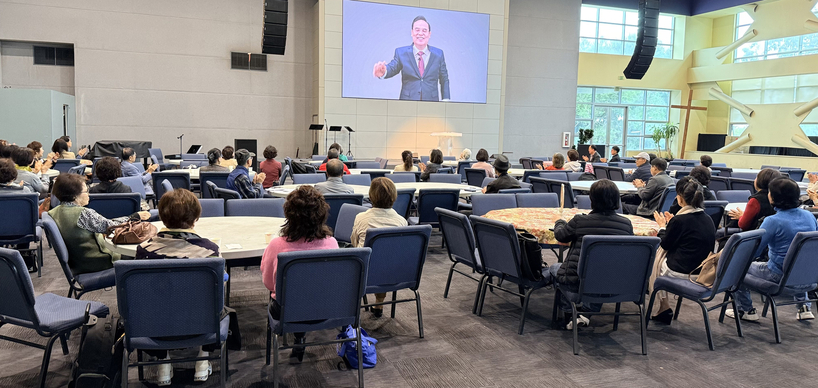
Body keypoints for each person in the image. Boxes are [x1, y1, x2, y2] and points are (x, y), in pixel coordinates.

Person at [134, 188, 221, 385]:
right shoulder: (209, 250)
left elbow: (142, 291)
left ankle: (163, 363)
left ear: (162, 217)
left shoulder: (145, 249)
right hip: (200, 323)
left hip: (154, 323)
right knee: (212, 301)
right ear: (196, 217)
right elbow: (218, 284)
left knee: (158, 301)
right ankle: (202, 359)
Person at [261, 185, 338, 362]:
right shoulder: (332, 243)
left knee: (289, 297)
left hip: (287, 311)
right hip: (328, 307)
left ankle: (298, 337)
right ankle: (299, 338)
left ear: (289, 215)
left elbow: (269, 284)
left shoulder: (277, 245)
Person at [727, 178, 818, 322]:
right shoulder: (810, 216)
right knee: (799, 261)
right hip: (811, 278)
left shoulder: (772, 221)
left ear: (773, 197)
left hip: (779, 278)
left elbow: (753, 252)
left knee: (736, 267)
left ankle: (746, 310)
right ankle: (804, 308)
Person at [551, 180, 634, 328]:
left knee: (555, 269)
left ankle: (570, 313)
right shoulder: (626, 225)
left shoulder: (580, 221)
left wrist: (559, 222)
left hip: (577, 281)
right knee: (602, 269)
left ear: (592, 199)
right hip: (613, 282)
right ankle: (586, 312)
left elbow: (561, 236)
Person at [49, 173, 151, 275]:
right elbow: (111, 227)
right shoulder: (83, 213)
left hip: (78, 262)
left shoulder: (54, 212)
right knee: (146, 255)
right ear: (75, 196)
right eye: (86, 191)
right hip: (99, 261)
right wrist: (134, 217)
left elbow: (104, 223)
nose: (88, 194)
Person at [650, 177, 716, 323]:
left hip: (682, 270)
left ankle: (662, 307)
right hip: (701, 269)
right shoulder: (707, 218)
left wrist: (662, 226)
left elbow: (665, 244)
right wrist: (671, 225)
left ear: (679, 199)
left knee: (652, 261)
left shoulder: (680, 220)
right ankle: (663, 307)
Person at [351, 178, 408, 317]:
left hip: (365, 272)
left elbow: (354, 243)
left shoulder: (361, 218)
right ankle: (379, 303)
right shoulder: (402, 221)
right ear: (394, 197)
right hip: (394, 272)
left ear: (371, 196)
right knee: (386, 258)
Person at [372, 16, 450, 101]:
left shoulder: (438, 54)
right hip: (407, 104)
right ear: (412, 32)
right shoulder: (401, 53)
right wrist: (383, 72)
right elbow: (392, 68)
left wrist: (446, 100)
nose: (420, 33)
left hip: (431, 104)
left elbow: (444, 79)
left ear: (429, 34)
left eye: (424, 30)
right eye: (417, 30)